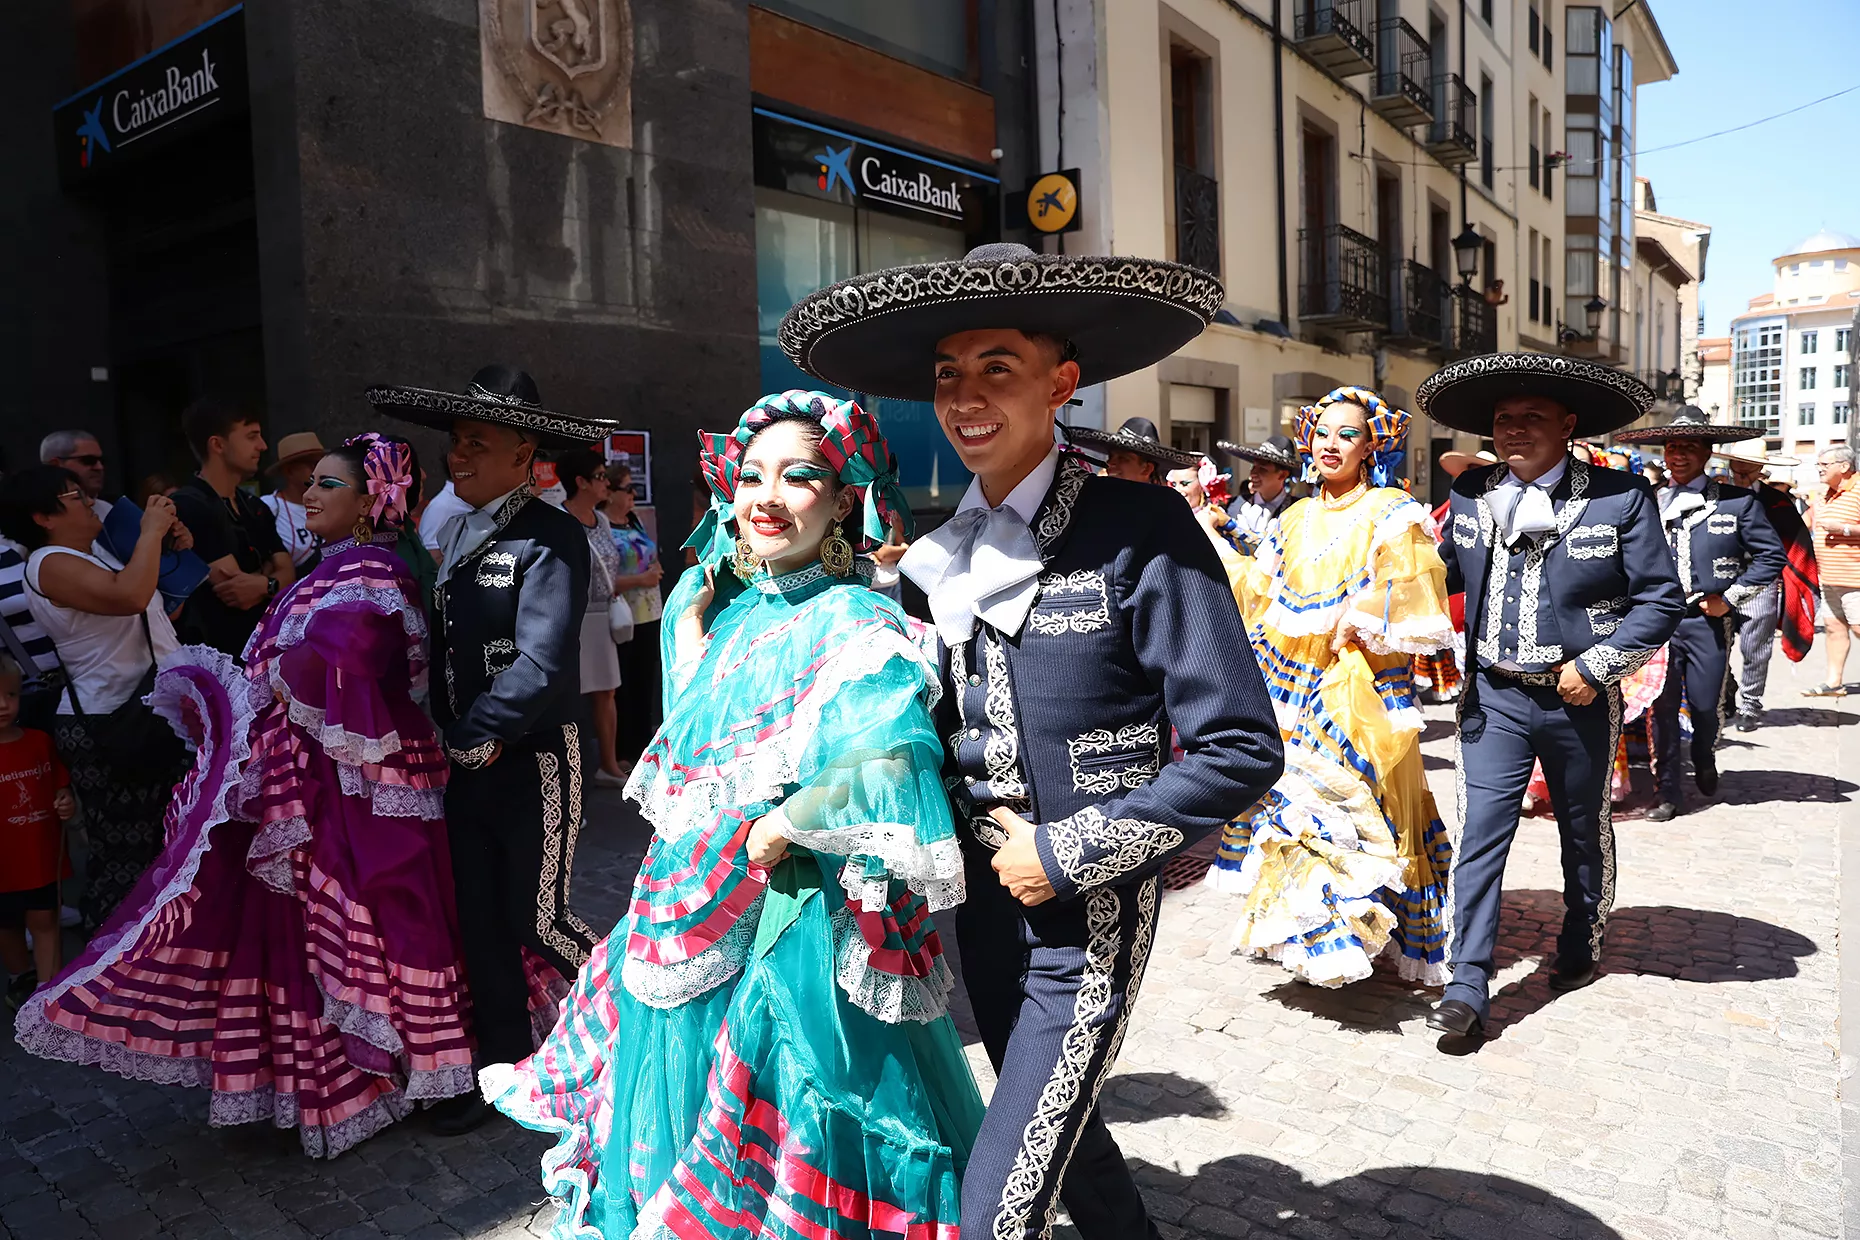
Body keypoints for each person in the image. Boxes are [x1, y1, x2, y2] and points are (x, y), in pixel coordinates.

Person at [784, 241, 1285, 1240]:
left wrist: (1064, 851)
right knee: (1054, 1116)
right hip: (980, 910)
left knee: (995, 1207)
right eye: (947, 374)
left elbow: (1240, 746)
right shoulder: (934, 557)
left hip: (1087, 914)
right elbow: (921, 739)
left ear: (1060, 383)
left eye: (996, 367)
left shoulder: (1142, 527)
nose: (965, 396)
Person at [486, 390, 980, 1239]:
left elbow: (887, 754)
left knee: (799, 1091)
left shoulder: (858, 617)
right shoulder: (735, 611)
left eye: (800, 477)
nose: (766, 497)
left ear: (842, 497)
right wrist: (689, 609)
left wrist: (788, 825)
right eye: (750, 477)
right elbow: (695, 743)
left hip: (794, 915)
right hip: (690, 889)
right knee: (678, 1069)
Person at [14, 435, 495, 1157]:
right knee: (321, 931)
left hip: (364, 787)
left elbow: (347, 664)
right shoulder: (328, 568)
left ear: (370, 504)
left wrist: (261, 686)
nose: (308, 495)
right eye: (311, 485)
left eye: (328, 485)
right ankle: (355, 1078)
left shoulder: (376, 572)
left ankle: (430, 1071)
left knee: (390, 916)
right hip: (317, 782)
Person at [368, 362, 614, 1135]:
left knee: (538, 921)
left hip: (536, 758)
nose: (459, 457)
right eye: (456, 444)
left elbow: (540, 664)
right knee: (480, 927)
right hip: (466, 762)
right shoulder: (457, 532)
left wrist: (475, 736)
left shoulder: (553, 535)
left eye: (478, 442)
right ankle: (503, 1076)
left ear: (524, 452)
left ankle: (647, 1019)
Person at [1415, 354, 1682, 1043]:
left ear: (1567, 425)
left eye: (1532, 417)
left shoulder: (1620, 496)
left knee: (1581, 827)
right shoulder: (1472, 492)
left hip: (1580, 700)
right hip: (1494, 697)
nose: (1514, 429)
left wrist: (1597, 666)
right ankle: (1466, 983)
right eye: (1504, 419)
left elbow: (1660, 600)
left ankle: (1581, 934)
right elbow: (1435, 569)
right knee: (1481, 836)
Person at [1211, 387, 1457, 986]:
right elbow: (1261, 594)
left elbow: (1416, 589)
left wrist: (1362, 612)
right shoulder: (1294, 517)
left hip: (1357, 686)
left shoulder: (1391, 510)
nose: (1331, 444)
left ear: (1373, 444)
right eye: (1322, 432)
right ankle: (1319, 941)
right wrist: (1208, 530)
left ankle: (1364, 930)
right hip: (1287, 684)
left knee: (1352, 804)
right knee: (1290, 809)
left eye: (1348, 433)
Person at [0, 466, 189, 928]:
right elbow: (128, 596)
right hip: (112, 722)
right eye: (75, 495)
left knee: (165, 850)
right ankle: (106, 981)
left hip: (149, 709)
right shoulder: (47, 561)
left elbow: (152, 607)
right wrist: (149, 531)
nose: (90, 501)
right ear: (44, 516)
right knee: (126, 862)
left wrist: (168, 548)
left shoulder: (94, 555)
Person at [1615, 408, 1784, 819]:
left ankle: (1705, 753)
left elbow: (1770, 556)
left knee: (1706, 705)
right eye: (1672, 447)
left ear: (1708, 453)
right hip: (1654, 623)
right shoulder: (1646, 500)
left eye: (1689, 447)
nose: (1678, 455)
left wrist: (1730, 597)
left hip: (1707, 620)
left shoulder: (1738, 502)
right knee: (1661, 706)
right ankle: (1667, 790)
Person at [170, 398, 295, 655]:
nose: (262, 446)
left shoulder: (253, 505)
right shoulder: (189, 504)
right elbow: (237, 591)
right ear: (217, 444)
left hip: (264, 647)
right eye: (251, 436)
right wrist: (270, 576)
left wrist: (263, 584)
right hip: (221, 654)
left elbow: (288, 571)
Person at [1720, 440, 1818, 729]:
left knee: (1755, 646)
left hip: (1761, 581)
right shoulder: (1715, 495)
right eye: (1736, 466)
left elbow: (1796, 544)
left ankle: (1751, 703)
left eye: (1747, 468)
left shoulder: (1777, 502)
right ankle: (1724, 693)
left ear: (1760, 468)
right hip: (1720, 581)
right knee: (1714, 644)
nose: (1740, 473)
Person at [0, 654, 77, 1009]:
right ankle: (21, 978)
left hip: (41, 857)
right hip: (5, 864)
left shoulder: (39, 741)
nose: (4, 705)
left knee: (45, 919)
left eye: (11, 695)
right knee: (7, 927)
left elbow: (61, 787)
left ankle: (50, 991)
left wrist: (65, 801)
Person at [555, 448, 629, 787]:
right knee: (570, 699)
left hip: (602, 615)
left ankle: (609, 765)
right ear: (581, 482)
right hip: (572, 617)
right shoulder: (557, 520)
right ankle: (572, 775)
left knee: (607, 693)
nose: (605, 483)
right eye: (599, 476)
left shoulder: (601, 520)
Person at [602, 462, 665, 756]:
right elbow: (601, 579)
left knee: (645, 681)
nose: (633, 495)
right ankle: (622, 750)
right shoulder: (601, 525)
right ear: (610, 492)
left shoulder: (634, 520)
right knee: (623, 685)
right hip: (621, 615)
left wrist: (655, 569)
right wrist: (642, 578)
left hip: (650, 612)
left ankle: (643, 745)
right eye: (627, 488)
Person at [1805, 445, 1860, 697]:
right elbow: (1806, 520)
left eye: (1824, 465)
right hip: (1828, 578)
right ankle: (1834, 682)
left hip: (1856, 579)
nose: (1820, 469)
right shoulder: (1825, 493)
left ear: (1844, 467)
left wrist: (1845, 529)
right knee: (1834, 628)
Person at [1217, 434, 1299, 553]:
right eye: (1253, 467)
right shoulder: (1235, 505)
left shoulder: (1297, 511)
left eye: (1262, 469)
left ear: (1282, 475)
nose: (1253, 474)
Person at [1065, 414, 1201, 485]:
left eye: (1123, 458)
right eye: (1110, 457)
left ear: (1147, 469)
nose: (1110, 464)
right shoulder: (1099, 505)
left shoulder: (1165, 509)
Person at [261, 431, 328, 570]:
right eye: (313, 464)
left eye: (323, 463)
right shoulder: (269, 507)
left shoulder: (332, 503)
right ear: (289, 471)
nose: (320, 470)